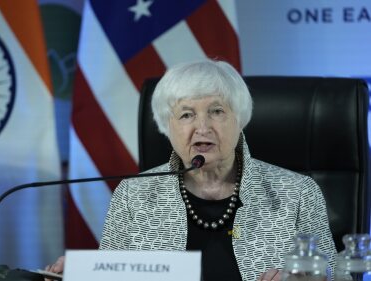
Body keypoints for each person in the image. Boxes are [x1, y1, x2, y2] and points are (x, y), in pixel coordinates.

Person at [47, 59, 337, 281]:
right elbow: (110, 275)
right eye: (186, 114)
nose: (202, 127)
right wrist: (81, 275)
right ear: (166, 127)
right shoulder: (133, 194)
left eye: (217, 111)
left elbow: (339, 276)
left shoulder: (297, 193)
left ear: (240, 119)